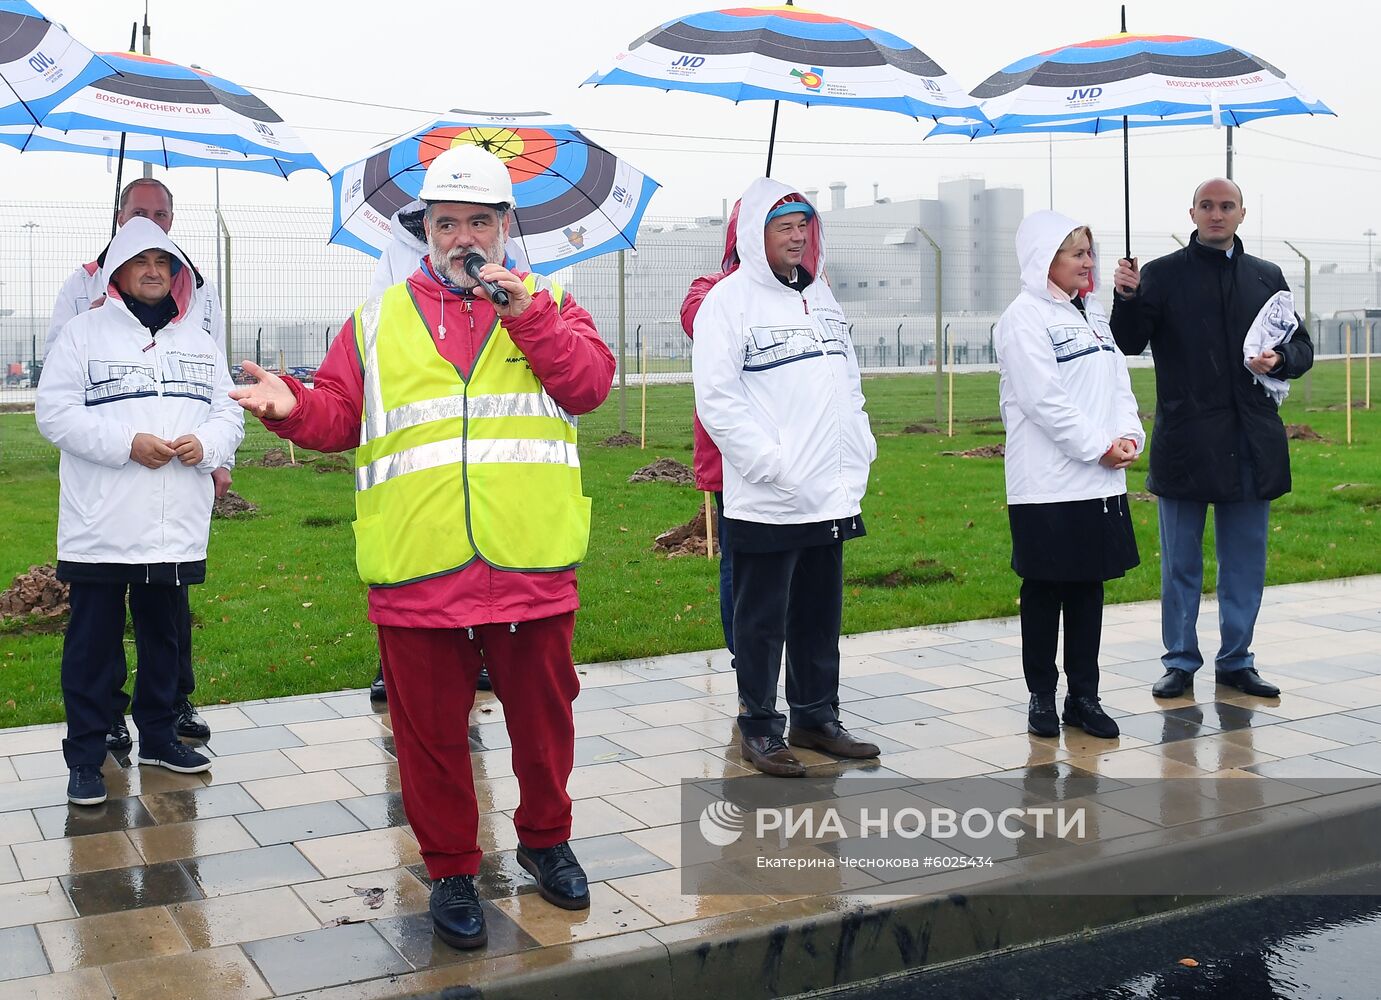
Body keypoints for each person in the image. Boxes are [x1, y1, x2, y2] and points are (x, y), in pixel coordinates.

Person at [231, 144, 613, 950]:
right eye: (447, 223)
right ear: (424, 231)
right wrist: (290, 405)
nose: (463, 237)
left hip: (527, 562)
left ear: (506, 227)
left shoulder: (550, 303)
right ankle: (449, 870)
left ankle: (547, 840)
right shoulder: (376, 320)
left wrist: (528, 316)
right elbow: (339, 414)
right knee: (428, 734)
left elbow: (586, 386)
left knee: (544, 724)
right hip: (418, 567)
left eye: (480, 220)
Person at [37, 218, 243, 806]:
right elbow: (54, 414)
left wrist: (209, 444)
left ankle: (157, 737)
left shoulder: (199, 343)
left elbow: (229, 412)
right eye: (141, 261)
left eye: (165, 263)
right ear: (117, 271)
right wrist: (127, 444)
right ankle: (86, 755)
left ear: (179, 276)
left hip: (173, 524)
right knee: (92, 645)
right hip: (102, 524)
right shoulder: (82, 334)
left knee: (164, 639)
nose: (154, 272)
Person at [692, 178, 879, 778]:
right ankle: (759, 724)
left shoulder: (821, 294)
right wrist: (771, 463)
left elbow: (847, 377)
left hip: (830, 492)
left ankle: (816, 715)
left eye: (804, 225)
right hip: (769, 497)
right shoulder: (728, 301)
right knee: (761, 618)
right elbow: (718, 399)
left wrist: (861, 441)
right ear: (755, 235)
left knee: (819, 613)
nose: (797, 236)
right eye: (783, 226)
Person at [1111, 178, 1314, 701]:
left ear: (1242, 213)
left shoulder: (1268, 278)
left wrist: (1281, 360)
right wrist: (1127, 298)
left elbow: (1301, 347)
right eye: (1207, 205)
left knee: (1245, 561)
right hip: (1185, 438)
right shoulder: (1160, 275)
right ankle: (1179, 661)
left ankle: (1237, 660)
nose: (1217, 214)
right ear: (1192, 213)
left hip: (1251, 442)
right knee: (1181, 562)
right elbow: (1129, 341)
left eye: (1227, 206)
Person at [995, 211, 1144, 740]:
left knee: (1088, 590)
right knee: (1045, 590)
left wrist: (1128, 437)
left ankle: (1084, 696)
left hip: (1100, 481)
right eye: (1076, 252)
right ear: (1045, 260)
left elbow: (1117, 386)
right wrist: (1097, 445)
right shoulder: (1023, 318)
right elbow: (1042, 399)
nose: (1088, 262)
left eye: (1088, 252)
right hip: (1047, 483)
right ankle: (1042, 696)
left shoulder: (1094, 314)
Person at [679, 199, 740, 655]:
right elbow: (699, 322)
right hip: (733, 458)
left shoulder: (807, 290)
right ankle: (746, 659)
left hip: (802, 458)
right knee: (738, 559)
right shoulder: (710, 289)